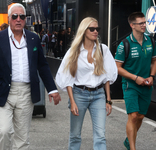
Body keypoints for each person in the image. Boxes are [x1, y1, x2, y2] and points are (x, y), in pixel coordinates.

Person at [0, 3, 61, 150]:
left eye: (22, 16)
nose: (18, 19)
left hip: (26, 93)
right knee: (3, 131)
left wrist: (52, 89)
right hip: (4, 91)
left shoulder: (33, 38)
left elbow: (42, 65)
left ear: (25, 19)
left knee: (22, 137)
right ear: (9, 18)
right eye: (15, 16)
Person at [56, 17, 117, 150]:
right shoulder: (74, 51)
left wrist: (109, 100)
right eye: (92, 29)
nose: (96, 31)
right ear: (84, 31)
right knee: (75, 135)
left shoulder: (103, 49)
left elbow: (107, 76)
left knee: (100, 135)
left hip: (99, 95)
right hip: (79, 95)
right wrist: (72, 102)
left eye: (97, 29)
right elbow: (67, 78)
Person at [115, 12, 156, 150]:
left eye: (145, 22)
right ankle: (132, 148)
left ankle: (128, 140)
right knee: (133, 116)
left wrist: (151, 76)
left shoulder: (150, 40)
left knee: (140, 117)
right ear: (132, 25)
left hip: (146, 85)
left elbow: (155, 60)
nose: (144, 25)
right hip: (130, 85)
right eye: (141, 23)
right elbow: (117, 68)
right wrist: (135, 78)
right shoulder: (124, 44)